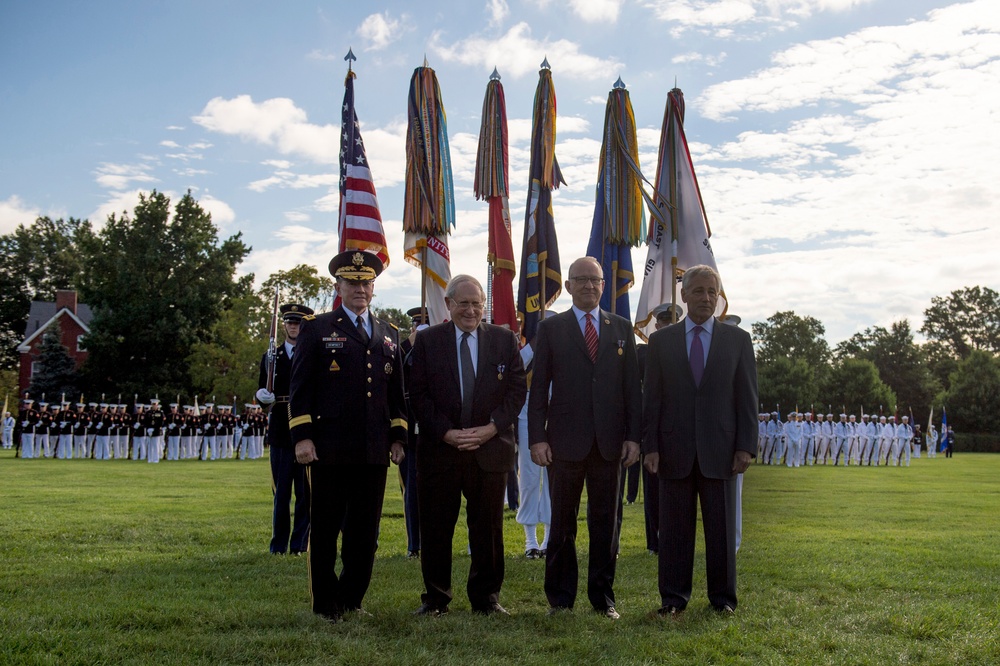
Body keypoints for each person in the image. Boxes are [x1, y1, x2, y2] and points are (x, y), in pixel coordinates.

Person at [288, 250, 406, 623]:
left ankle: (352, 598)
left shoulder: (389, 334)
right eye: (353, 282)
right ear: (338, 286)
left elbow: (396, 395)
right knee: (324, 528)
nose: (361, 288)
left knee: (364, 532)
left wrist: (398, 438)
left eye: (367, 282)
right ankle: (325, 603)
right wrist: (303, 438)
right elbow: (300, 388)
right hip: (329, 448)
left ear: (373, 288)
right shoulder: (318, 328)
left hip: (373, 449)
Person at [528, 256, 641, 621]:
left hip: (610, 445)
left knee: (606, 524)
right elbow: (538, 388)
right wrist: (536, 438)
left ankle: (603, 597)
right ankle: (560, 599)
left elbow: (631, 393)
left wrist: (633, 438)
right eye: (581, 280)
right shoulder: (551, 328)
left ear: (603, 285)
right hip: (563, 443)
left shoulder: (621, 328)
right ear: (570, 286)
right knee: (562, 523)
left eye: (595, 280)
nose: (589, 286)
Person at [642, 264, 757, 616]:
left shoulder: (738, 340)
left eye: (712, 292)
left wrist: (745, 446)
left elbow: (747, 399)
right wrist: (651, 446)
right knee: (674, 532)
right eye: (699, 291)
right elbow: (653, 401)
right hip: (673, 452)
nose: (706, 297)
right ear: (684, 295)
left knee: (721, 531)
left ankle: (722, 600)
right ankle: (673, 599)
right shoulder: (661, 341)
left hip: (721, 452)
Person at [409, 275, 526, 617]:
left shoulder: (505, 340)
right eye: (464, 303)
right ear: (448, 305)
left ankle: (486, 598)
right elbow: (417, 395)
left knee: (488, 528)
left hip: (490, 451)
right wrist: (446, 432)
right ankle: (435, 599)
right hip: (440, 451)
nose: (471, 310)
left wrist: (491, 428)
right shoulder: (428, 341)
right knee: (435, 527)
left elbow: (517, 391)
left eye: (477, 304)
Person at [256, 302, 314, 556]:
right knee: (281, 493)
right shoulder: (272, 357)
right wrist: (261, 397)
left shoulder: (312, 354)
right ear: (284, 326)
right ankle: (278, 544)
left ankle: (299, 544)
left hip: (305, 426)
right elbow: (262, 392)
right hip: (280, 426)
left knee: (305, 493)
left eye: (298, 323)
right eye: (290, 322)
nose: (294, 327)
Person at [399, 306, 428, 559]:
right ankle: (414, 544)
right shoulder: (403, 350)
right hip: (409, 426)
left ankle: (433, 542)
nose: (419, 329)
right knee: (412, 488)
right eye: (415, 325)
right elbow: (391, 364)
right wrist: (410, 343)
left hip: (435, 427)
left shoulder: (439, 347)